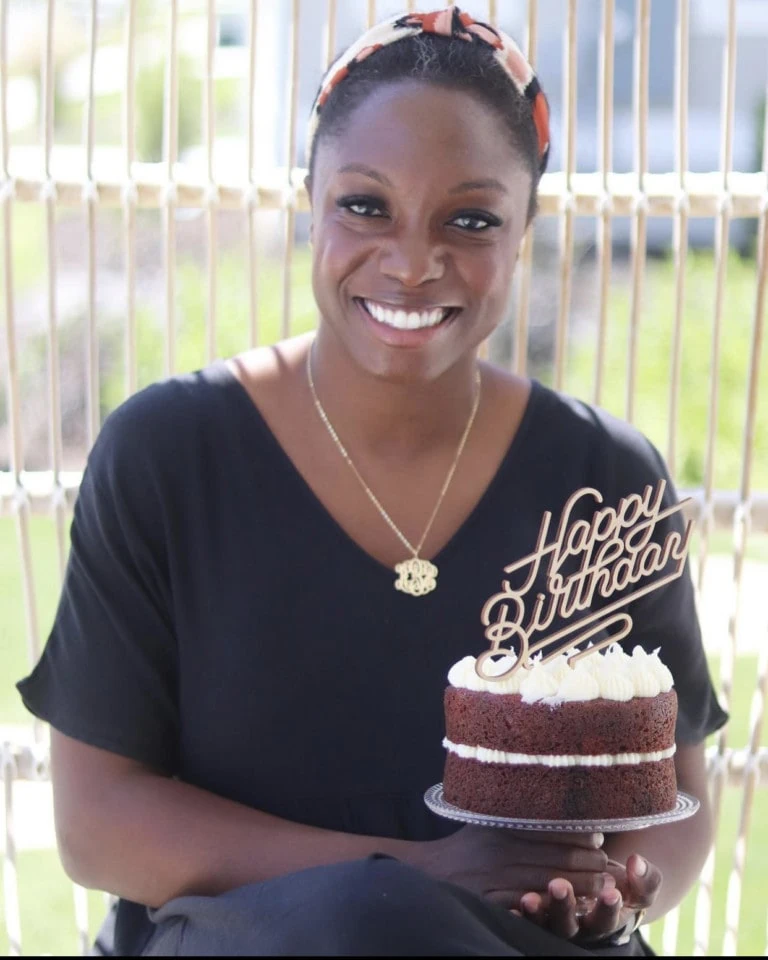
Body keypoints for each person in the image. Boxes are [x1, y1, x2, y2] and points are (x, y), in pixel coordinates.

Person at [17, 7, 726, 957]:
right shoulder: (168, 455)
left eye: (470, 219)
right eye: (365, 204)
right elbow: (97, 824)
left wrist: (619, 897)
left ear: (524, 230)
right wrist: (417, 875)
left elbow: (673, 798)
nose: (411, 261)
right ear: (307, 197)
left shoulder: (602, 480)